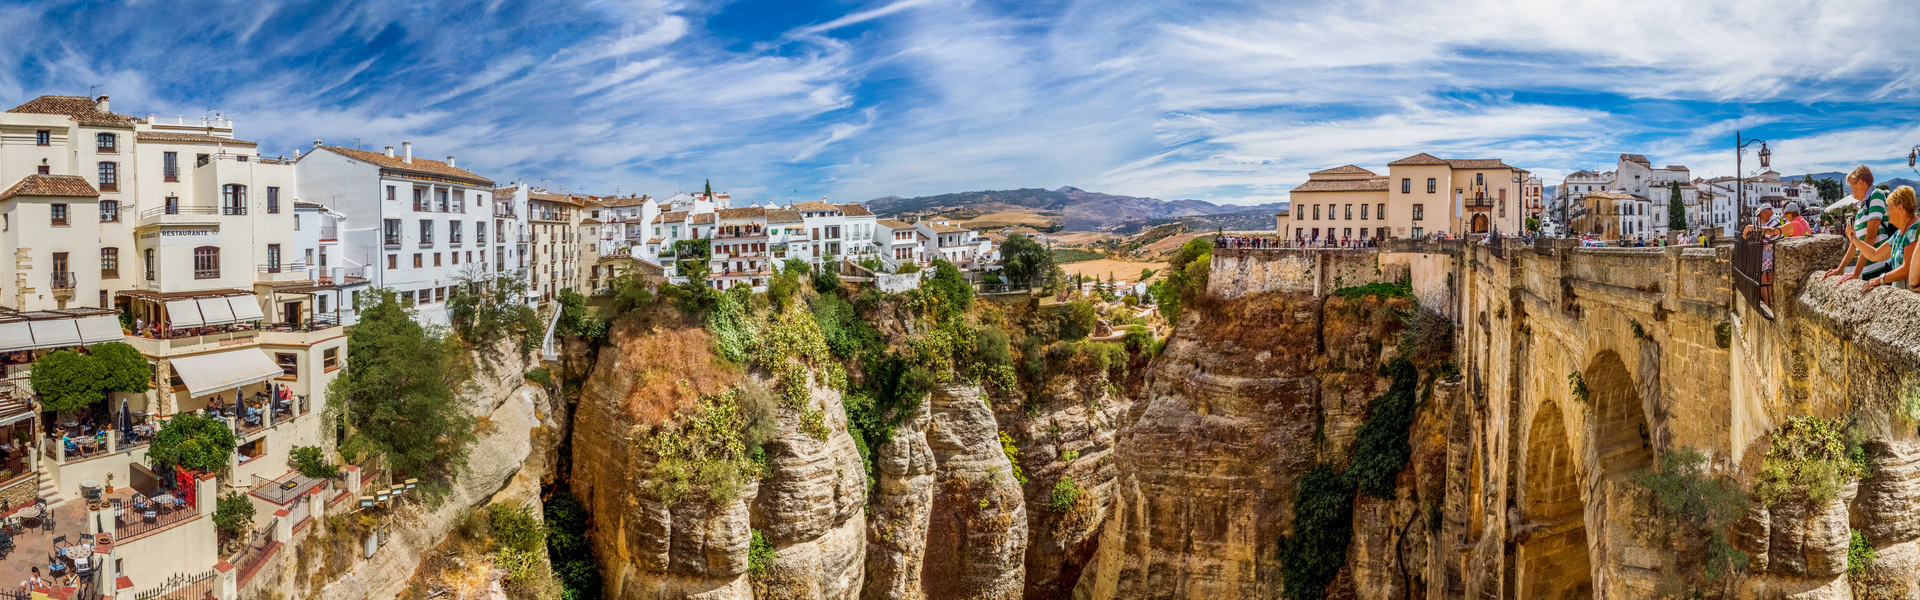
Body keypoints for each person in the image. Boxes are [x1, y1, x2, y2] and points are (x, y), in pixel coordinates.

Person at [1825, 166, 1894, 284]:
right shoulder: (1862, 206)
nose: (1851, 190)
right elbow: (1856, 244)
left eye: (1852, 186)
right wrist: (1840, 269)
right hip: (1868, 270)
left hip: (1881, 268)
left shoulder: (1876, 195)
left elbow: (1871, 237)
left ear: (1861, 183)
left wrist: (1856, 273)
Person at [1849, 186, 1920, 291]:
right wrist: (1854, 239)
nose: (1886, 213)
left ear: (1900, 208)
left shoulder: (1914, 231)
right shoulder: (1900, 233)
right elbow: (1875, 254)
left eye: (1888, 208)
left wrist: (1879, 280)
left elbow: (1907, 269)